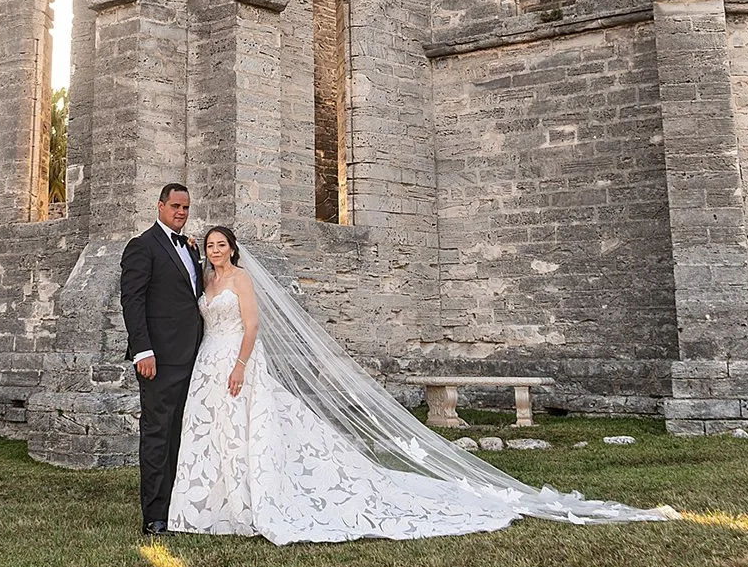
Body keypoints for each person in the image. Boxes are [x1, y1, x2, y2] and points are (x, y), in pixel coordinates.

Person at [165, 224, 677, 544]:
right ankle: (215, 505)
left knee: (248, 429)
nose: (215, 251)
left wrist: (239, 365)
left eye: (221, 245)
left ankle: (256, 502)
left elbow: (252, 326)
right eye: (210, 245)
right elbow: (200, 301)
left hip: (235, 362)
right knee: (213, 434)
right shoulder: (205, 278)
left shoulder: (242, 280)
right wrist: (190, 250)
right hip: (207, 362)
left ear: (234, 249)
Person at [118, 183, 205, 535]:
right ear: (160, 206)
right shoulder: (142, 246)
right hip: (159, 359)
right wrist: (143, 351)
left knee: (180, 434)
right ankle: (155, 515)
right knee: (157, 434)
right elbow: (132, 301)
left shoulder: (189, 247)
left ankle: (178, 505)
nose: (181, 212)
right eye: (175, 206)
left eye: (186, 207)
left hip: (193, 356)